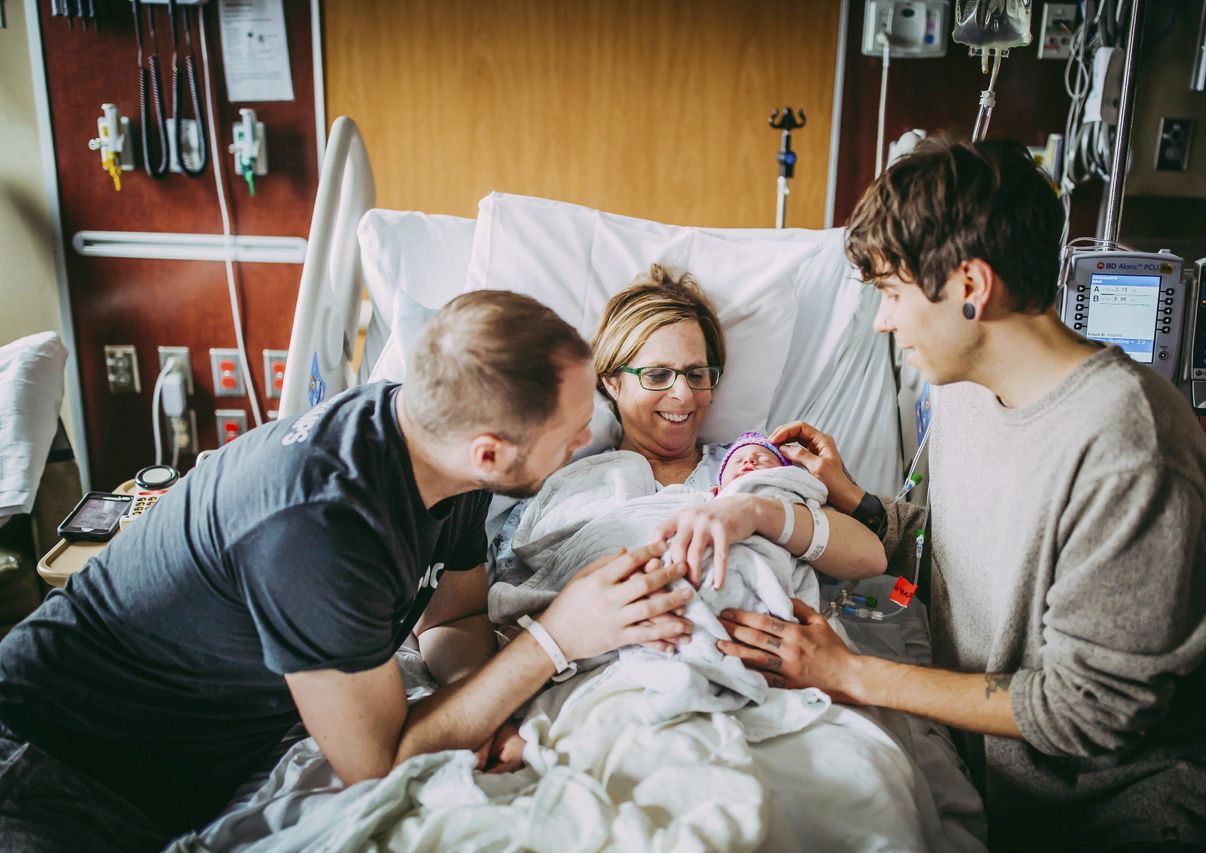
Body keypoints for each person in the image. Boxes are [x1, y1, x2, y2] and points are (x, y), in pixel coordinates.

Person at [716, 136, 1206, 850]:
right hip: (1013, 790)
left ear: (971, 288)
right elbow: (967, 550)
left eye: (892, 294)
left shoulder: (1129, 450)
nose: (884, 320)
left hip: (1137, 808)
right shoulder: (966, 393)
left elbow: (1086, 712)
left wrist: (849, 671)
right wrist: (859, 503)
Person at [0, 290, 694, 850]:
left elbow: (451, 617)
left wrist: (483, 709)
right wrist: (557, 636)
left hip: (175, 777)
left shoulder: (440, 454)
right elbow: (380, 761)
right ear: (489, 452)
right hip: (55, 770)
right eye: (570, 433)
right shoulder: (319, 528)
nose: (585, 442)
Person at [589, 264, 887, 591]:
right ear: (612, 382)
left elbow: (869, 555)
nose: (684, 394)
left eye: (696, 375)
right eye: (658, 375)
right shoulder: (579, 485)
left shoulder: (753, 465)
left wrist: (757, 512)